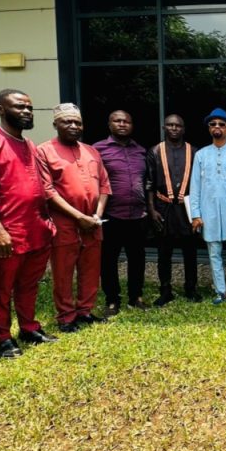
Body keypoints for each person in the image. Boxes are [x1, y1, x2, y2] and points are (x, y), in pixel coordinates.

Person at [0, 88, 56, 359]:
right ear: (0, 109)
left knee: (30, 284)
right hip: (8, 231)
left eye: (29, 107)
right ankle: (2, 337)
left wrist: (48, 222)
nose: (26, 112)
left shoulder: (29, 145)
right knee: (2, 287)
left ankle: (29, 327)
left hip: (37, 229)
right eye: (19, 107)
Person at [37, 103, 110, 332]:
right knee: (63, 271)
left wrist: (96, 215)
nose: (73, 126)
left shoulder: (92, 151)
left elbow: (105, 186)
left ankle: (85, 311)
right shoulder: (44, 151)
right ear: (55, 124)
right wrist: (79, 217)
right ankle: (66, 317)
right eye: (67, 122)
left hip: (93, 222)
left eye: (77, 122)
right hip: (65, 222)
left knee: (90, 269)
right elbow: (47, 191)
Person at [190, 108, 226, 305]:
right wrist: (196, 215)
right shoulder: (201, 155)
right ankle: (219, 291)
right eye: (213, 124)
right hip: (209, 213)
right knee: (214, 252)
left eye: (222, 125)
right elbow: (195, 186)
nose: (217, 127)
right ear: (209, 129)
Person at [95, 110, 148, 315]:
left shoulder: (141, 151)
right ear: (110, 125)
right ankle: (112, 299)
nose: (122, 124)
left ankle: (136, 296)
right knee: (108, 260)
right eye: (117, 121)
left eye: (127, 121)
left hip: (137, 216)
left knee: (138, 259)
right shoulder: (98, 150)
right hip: (111, 215)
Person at [146, 114, 200, 306]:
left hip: (187, 208)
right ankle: (165, 290)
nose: (174, 128)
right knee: (164, 252)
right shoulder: (154, 151)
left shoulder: (193, 151)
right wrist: (152, 211)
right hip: (163, 207)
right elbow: (149, 183)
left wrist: (198, 212)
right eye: (170, 125)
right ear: (164, 128)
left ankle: (191, 288)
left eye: (178, 125)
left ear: (183, 129)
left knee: (190, 251)